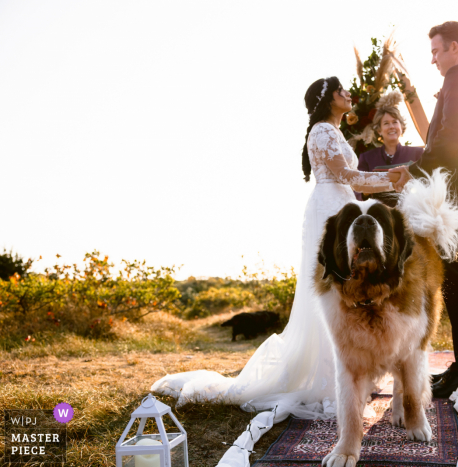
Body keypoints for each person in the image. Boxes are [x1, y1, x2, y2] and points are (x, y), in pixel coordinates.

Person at [151, 77, 408, 418]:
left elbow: (351, 178)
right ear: (328, 98)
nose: (348, 94)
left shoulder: (334, 132)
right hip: (329, 209)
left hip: (341, 206)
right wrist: (392, 178)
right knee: (331, 290)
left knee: (345, 288)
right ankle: (330, 377)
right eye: (341, 90)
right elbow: (349, 176)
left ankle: (350, 369)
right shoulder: (321, 131)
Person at [391, 21, 458, 398]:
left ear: (454, 47)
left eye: (436, 51)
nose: (433, 58)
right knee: (455, 278)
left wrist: (413, 171)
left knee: (457, 278)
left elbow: (450, 138)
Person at [354, 92, 423, 206]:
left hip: (413, 210)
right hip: (379, 214)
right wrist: (365, 192)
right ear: (379, 130)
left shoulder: (418, 153)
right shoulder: (366, 158)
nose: (391, 126)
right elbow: (357, 191)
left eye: (395, 122)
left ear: (401, 126)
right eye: (386, 123)